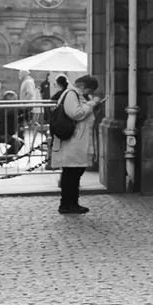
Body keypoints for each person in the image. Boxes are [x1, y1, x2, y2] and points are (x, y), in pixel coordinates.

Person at [48, 74, 101, 214]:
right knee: (71, 172)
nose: (90, 94)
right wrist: (92, 103)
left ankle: (71, 202)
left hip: (77, 141)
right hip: (73, 141)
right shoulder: (72, 94)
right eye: (89, 90)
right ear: (83, 86)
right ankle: (67, 204)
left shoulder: (78, 95)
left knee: (75, 172)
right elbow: (76, 114)